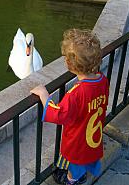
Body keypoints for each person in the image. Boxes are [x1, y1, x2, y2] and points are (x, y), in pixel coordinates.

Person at [30, 29, 109, 185]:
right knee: (87, 157)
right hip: (93, 138)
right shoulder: (102, 80)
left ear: (69, 64)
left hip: (79, 141)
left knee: (76, 164)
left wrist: (44, 96)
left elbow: (59, 114)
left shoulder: (76, 93)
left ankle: (72, 180)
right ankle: (81, 174)